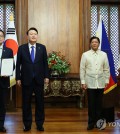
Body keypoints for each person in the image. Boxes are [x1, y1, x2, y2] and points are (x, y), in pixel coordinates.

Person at [16, 27, 49, 132]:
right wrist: (18, 78)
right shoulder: (21, 48)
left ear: (37, 36)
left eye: (35, 34)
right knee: (26, 103)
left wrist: (47, 76)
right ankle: (27, 124)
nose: (33, 35)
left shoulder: (42, 48)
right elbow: (18, 65)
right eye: (31, 34)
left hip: (39, 80)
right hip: (26, 80)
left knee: (40, 103)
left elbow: (45, 64)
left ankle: (40, 124)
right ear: (27, 36)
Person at [80, 36, 110, 130]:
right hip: (90, 83)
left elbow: (106, 68)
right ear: (90, 44)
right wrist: (83, 82)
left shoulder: (104, 55)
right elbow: (82, 69)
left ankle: (99, 123)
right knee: (91, 104)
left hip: (100, 82)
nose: (94, 43)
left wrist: (106, 80)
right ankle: (91, 123)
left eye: (96, 42)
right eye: (93, 42)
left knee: (99, 104)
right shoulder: (85, 55)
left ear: (98, 43)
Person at [0, 29, 13, 132]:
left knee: (2, 105)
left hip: (3, 82)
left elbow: (12, 65)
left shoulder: (9, 50)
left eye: (1, 36)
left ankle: (1, 125)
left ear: (4, 38)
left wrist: (7, 72)